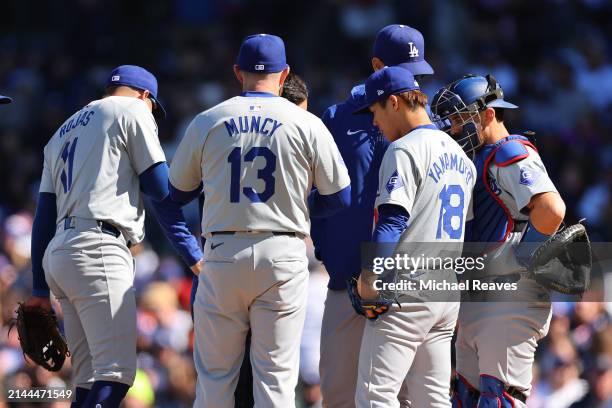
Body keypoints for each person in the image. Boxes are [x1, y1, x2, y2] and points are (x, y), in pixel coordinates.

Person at [169, 34, 350, 408]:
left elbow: (177, 193)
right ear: (284, 75)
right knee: (276, 379)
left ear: (238, 72)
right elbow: (340, 197)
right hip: (283, 249)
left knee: (215, 377)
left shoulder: (208, 119)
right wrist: (296, 206)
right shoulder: (305, 122)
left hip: (222, 251)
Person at [25, 65, 203, 407]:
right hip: (99, 248)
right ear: (145, 96)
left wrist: (38, 287)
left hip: (60, 255)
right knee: (117, 374)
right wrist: (192, 251)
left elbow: (43, 215)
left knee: (88, 378)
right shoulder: (133, 109)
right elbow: (160, 190)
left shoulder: (62, 131)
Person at [314, 24, 435, 408]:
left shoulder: (428, 125)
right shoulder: (336, 118)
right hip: (348, 277)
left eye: (417, 73)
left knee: (413, 397)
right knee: (338, 394)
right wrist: (328, 252)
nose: (411, 82)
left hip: (410, 282)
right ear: (377, 65)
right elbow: (317, 193)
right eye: (401, 69)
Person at [431, 74, 566, 407]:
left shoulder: (509, 151)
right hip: (479, 298)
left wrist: (520, 262)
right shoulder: (476, 159)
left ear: (488, 114)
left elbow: (550, 209)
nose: (455, 128)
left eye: (462, 119)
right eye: (452, 120)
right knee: (467, 398)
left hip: (507, 299)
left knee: (499, 399)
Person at [353, 66, 476, 408]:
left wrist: (370, 277)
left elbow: (392, 221)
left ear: (393, 102)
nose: (374, 122)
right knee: (432, 399)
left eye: (375, 111)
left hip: (407, 287)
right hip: (445, 290)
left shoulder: (404, 149)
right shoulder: (460, 157)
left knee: (376, 396)